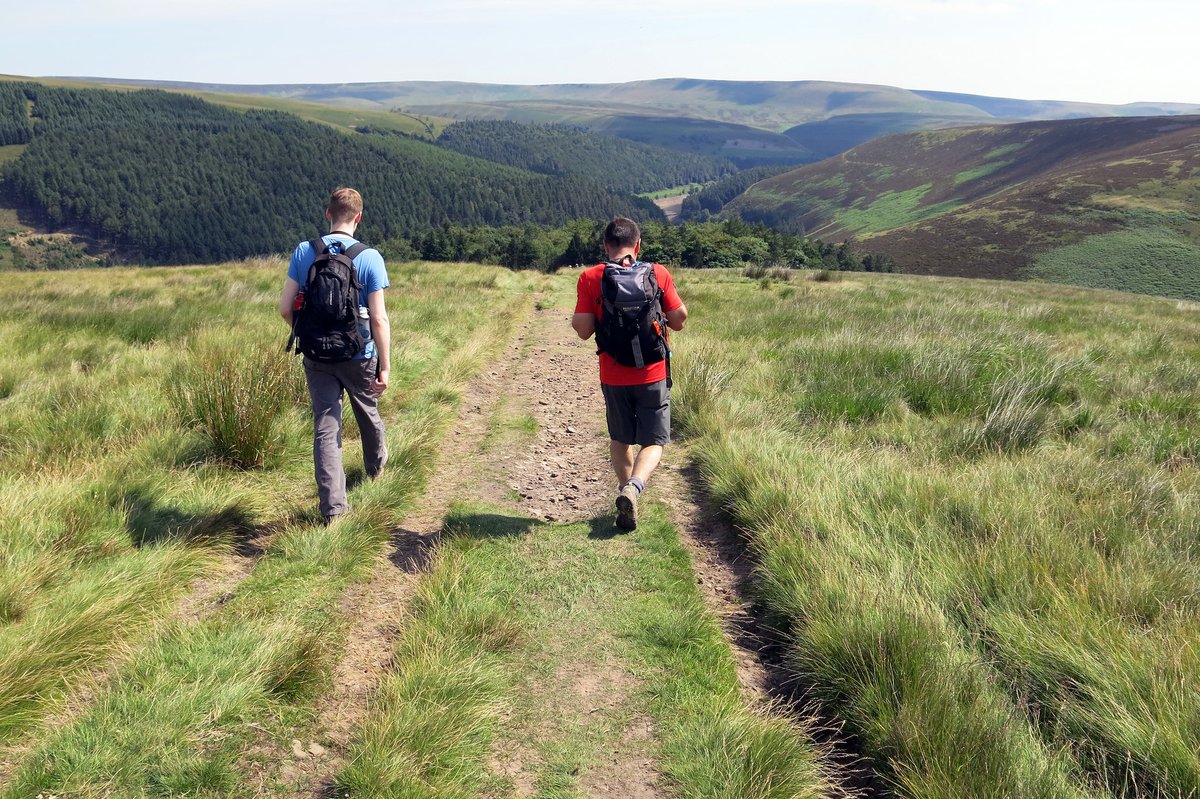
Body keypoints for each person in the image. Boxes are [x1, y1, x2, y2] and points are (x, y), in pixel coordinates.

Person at [279, 187, 391, 524]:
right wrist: (385, 366)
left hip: (317, 356)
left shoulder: (305, 251)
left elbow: (285, 308)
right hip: (359, 354)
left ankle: (333, 509)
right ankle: (376, 472)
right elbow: (379, 318)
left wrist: (308, 332)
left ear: (328, 214)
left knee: (326, 428)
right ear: (359, 217)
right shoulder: (370, 257)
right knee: (367, 412)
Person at [572, 217, 688, 530]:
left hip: (613, 375)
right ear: (638, 245)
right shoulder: (658, 273)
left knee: (620, 438)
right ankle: (634, 489)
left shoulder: (590, 277)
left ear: (606, 246)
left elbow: (583, 330)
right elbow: (679, 319)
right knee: (654, 440)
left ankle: (625, 490)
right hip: (653, 373)